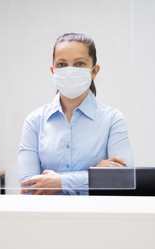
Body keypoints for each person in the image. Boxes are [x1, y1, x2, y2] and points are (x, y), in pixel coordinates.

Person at [18, 33, 133, 195]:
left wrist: (60, 182)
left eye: (79, 64)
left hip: (97, 217)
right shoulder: (35, 121)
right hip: (48, 217)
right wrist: (95, 176)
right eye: (62, 65)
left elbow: (123, 179)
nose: (70, 71)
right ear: (53, 71)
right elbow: (28, 186)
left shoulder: (112, 119)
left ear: (94, 71)